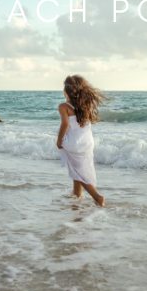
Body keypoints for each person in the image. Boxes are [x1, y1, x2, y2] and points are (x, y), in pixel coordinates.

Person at [57, 75, 108, 206]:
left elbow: (65, 125)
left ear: (67, 90)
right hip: (87, 142)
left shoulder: (64, 106)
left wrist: (59, 140)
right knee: (78, 169)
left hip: (74, 143)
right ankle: (76, 195)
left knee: (78, 171)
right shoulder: (86, 104)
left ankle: (97, 197)